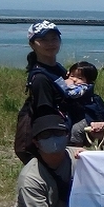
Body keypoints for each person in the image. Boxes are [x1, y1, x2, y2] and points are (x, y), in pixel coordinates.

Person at [15, 21, 72, 164]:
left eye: (54, 38)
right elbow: (45, 114)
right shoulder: (40, 78)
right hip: (54, 137)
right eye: (43, 40)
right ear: (32, 44)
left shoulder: (58, 68)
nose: (50, 43)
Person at [64, 61, 104, 149]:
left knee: (76, 129)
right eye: (72, 76)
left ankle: (76, 147)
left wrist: (66, 84)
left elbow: (73, 94)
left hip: (90, 117)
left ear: (89, 81)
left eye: (80, 77)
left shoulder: (83, 87)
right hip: (80, 116)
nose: (74, 79)